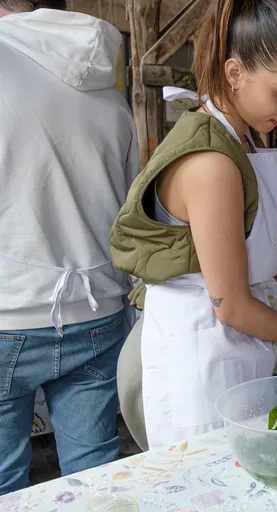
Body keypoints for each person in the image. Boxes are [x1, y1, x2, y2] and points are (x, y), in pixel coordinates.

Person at [109, 0, 277, 450]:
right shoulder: (210, 162)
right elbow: (231, 306)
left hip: (234, 343)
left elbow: (272, 248)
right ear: (235, 73)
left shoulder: (243, 138)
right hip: (198, 353)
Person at [0, 1, 137, 494]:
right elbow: (130, 208)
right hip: (98, 309)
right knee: (94, 481)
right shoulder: (109, 90)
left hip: (9, 308)